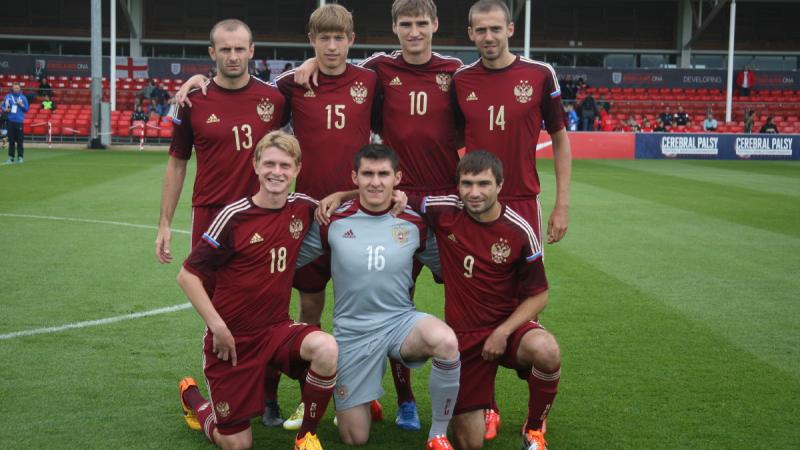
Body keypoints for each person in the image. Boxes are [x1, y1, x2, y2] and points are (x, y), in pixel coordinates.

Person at [176, 5, 381, 430]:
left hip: (354, 214)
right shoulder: (289, 85)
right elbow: (242, 94)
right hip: (302, 215)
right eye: (322, 39)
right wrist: (198, 80)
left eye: (338, 37)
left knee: (363, 305)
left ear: (351, 39)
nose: (331, 45)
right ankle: (270, 396)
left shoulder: (370, 80)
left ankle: (365, 392)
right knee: (296, 305)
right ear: (311, 41)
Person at [294, 1, 463, 427]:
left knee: (434, 303)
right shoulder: (379, 69)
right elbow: (333, 61)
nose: (414, 31)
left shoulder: (455, 71)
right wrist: (310, 60)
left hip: (427, 204)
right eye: (405, 24)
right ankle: (334, 398)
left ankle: (454, 401)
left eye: (421, 23)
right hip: (369, 203)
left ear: (435, 25)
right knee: (342, 303)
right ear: (393, 28)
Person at [177, 130, 338, 450]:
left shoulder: (303, 207)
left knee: (327, 349)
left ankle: (306, 436)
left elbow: (340, 209)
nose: (277, 172)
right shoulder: (233, 217)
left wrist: (353, 194)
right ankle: (193, 398)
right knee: (236, 443)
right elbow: (187, 276)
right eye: (269, 164)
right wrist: (218, 327)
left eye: (285, 165)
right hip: (231, 340)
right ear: (255, 166)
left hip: (276, 329)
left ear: (297, 170)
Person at [452, 1, 570, 436]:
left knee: (520, 290)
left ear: (510, 29)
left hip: (522, 201)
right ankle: (487, 404)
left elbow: (560, 139)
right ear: (469, 34)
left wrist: (562, 204)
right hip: (473, 202)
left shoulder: (540, 75)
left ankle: (532, 414)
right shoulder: (461, 80)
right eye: (480, 30)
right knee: (474, 296)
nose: (488, 37)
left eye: (495, 29)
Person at [302, 144, 459, 450]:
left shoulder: (415, 221)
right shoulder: (332, 220)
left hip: (400, 323)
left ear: (397, 177)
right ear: (354, 177)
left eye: (383, 174)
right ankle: (365, 395)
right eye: (368, 174)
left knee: (446, 341)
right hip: (353, 333)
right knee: (354, 437)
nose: (376, 182)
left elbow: (449, 268)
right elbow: (288, 260)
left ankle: (437, 435)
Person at [413, 150, 561, 450]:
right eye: (467, 184)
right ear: (458, 186)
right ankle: (481, 406)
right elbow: (391, 193)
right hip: (463, 340)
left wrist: (503, 332)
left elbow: (539, 295)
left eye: (483, 184)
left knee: (546, 350)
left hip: (507, 329)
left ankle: (533, 430)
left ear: (500, 185)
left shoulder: (520, 230)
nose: (474, 192)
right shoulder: (443, 210)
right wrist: (340, 195)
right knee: (470, 443)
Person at [3, 82, 29, 164]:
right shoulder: (8, 96)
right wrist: (5, 109)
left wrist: (21, 105)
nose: (16, 89)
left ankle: (20, 157)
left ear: (20, 89)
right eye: (14, 88)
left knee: (20, 141)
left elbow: (26, 109)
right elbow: (3, 106)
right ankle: (11, 158)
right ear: (12, 88)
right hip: (10, 121)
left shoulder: (23, 98)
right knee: (11, 140)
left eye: (17, 88)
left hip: (19, 121)